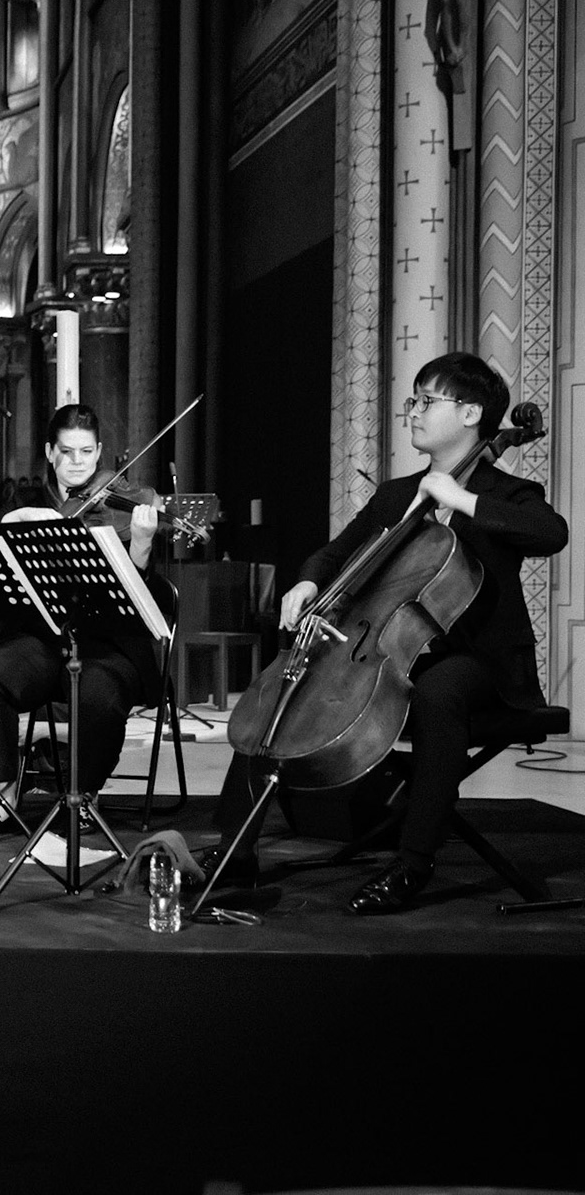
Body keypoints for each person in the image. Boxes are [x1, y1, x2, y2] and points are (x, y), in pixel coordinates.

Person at [202, 353, 568, 914]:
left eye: (427, 401)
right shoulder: (398, 496)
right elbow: (335, 553)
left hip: (479, 661)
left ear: (471, 413)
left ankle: (413, 862)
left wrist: (461, 499)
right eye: (413, 400)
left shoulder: (509, 492)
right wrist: (307, 582)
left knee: (439, 692)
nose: (413, 411)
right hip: (389, 651)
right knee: (284, 689)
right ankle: (236, 851)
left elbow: (550, 533)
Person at [0, 403, 162, 837]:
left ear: (100, 452)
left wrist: (141, 545)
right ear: (50, 452)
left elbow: (138, 598)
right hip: (41, 638)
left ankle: (84, 796)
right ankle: (4, 796)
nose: (77, 463)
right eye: (67, 452)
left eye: (87, 452)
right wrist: (17, 521)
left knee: (99, 693)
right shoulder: (26, 501)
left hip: (107, 643)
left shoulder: (124, 504)